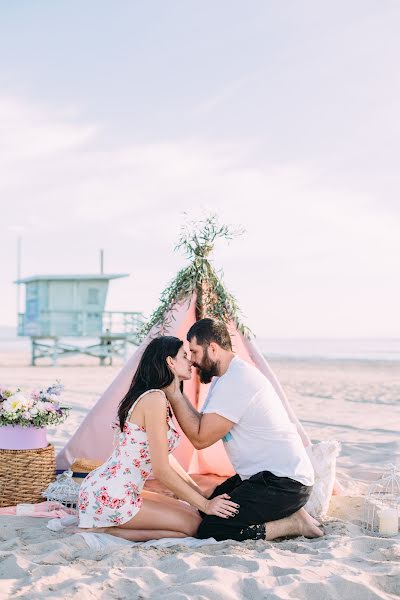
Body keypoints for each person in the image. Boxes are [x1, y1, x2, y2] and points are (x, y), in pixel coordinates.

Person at [166, 318, 324, 542]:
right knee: (206, 509)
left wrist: (173, 393)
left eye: (194, 351)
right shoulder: (226, 378)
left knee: (211, 529)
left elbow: (201, 439)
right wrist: (178, 390)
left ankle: (293, 522)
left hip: (284, 483)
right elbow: (202, 422)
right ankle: (291, 512)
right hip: (263, 478)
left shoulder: (237, 380)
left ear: (213, 348)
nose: (192, 360)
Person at [78, 336, 239, 542]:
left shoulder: (158, 397)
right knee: (196, 526)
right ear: (170, 362)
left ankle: (108, 527)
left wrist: (200, 496)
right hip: (111, 494)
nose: (191, 361)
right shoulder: (154, 399)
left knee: (194, 514)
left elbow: (167, 458)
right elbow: (162, 470)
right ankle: (107, 531)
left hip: (120, 488)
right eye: (184, 356)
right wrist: (206, 504)